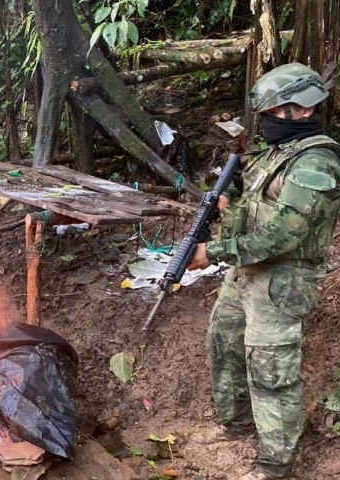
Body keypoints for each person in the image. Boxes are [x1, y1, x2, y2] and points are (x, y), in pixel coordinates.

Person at [187, 63, 340, 480]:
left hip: (282, 281)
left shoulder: (317, 163)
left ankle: (275, 465)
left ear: (302, 110)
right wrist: (227, 200)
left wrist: (215, 251)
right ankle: (237, 426)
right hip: (247, 272)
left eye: (274, 113)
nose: (268, 122)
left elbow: (284, 235)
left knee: (272, 372)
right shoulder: (277, 153)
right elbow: (253, 205)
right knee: (225, 342)